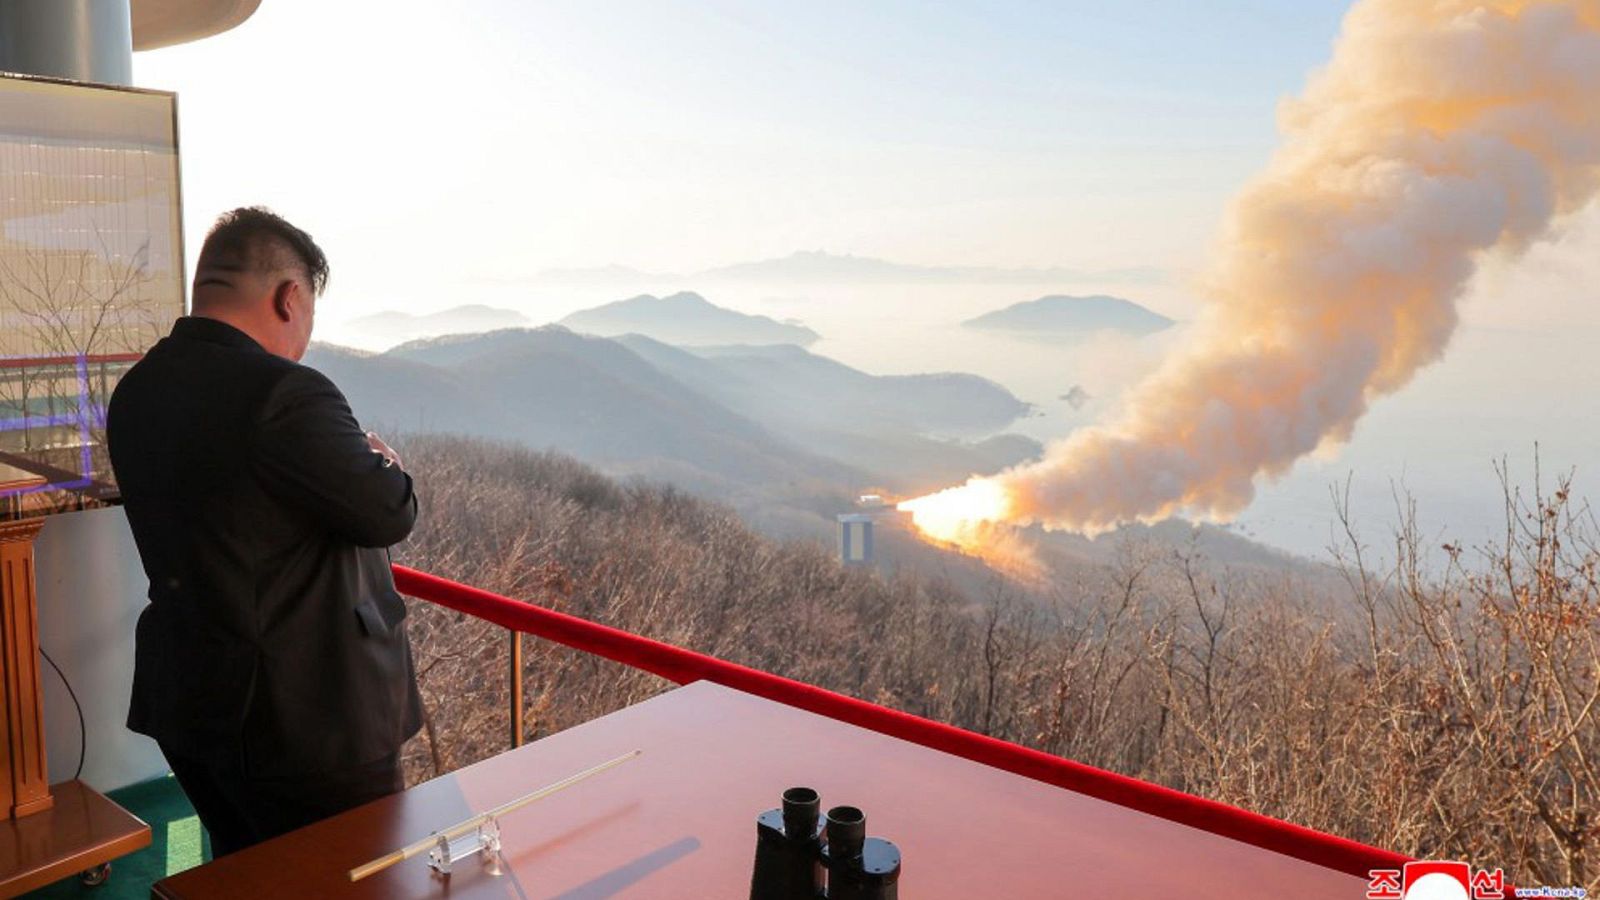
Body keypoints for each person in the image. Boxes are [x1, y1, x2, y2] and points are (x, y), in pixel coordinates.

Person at [106, 207, 422, 857]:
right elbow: (388, 513)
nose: (305, 336)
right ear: (289, 298)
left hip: (195, 699)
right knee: (350, 875)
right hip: (309, 717)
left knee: (247, 867)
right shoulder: (287, 395)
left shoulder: (138, 391)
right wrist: (387, 461)